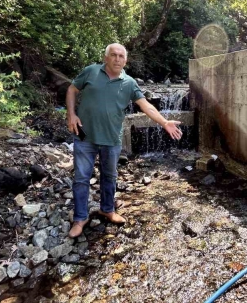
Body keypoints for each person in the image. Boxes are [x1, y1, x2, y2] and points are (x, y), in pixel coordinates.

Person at [65, 43, 182, 238]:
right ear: (106, 58)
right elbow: (71, 90)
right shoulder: (91, 72)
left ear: (125, 61)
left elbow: (146, 106)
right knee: (81, 179)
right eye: (113, 55)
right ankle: (80, 218)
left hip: (111, 139)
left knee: (109, 176)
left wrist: (164, 122)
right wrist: (71, 114)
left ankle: (107, 209)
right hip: (85, 136)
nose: (117, 59)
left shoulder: (129, 83)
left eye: (121, 56)